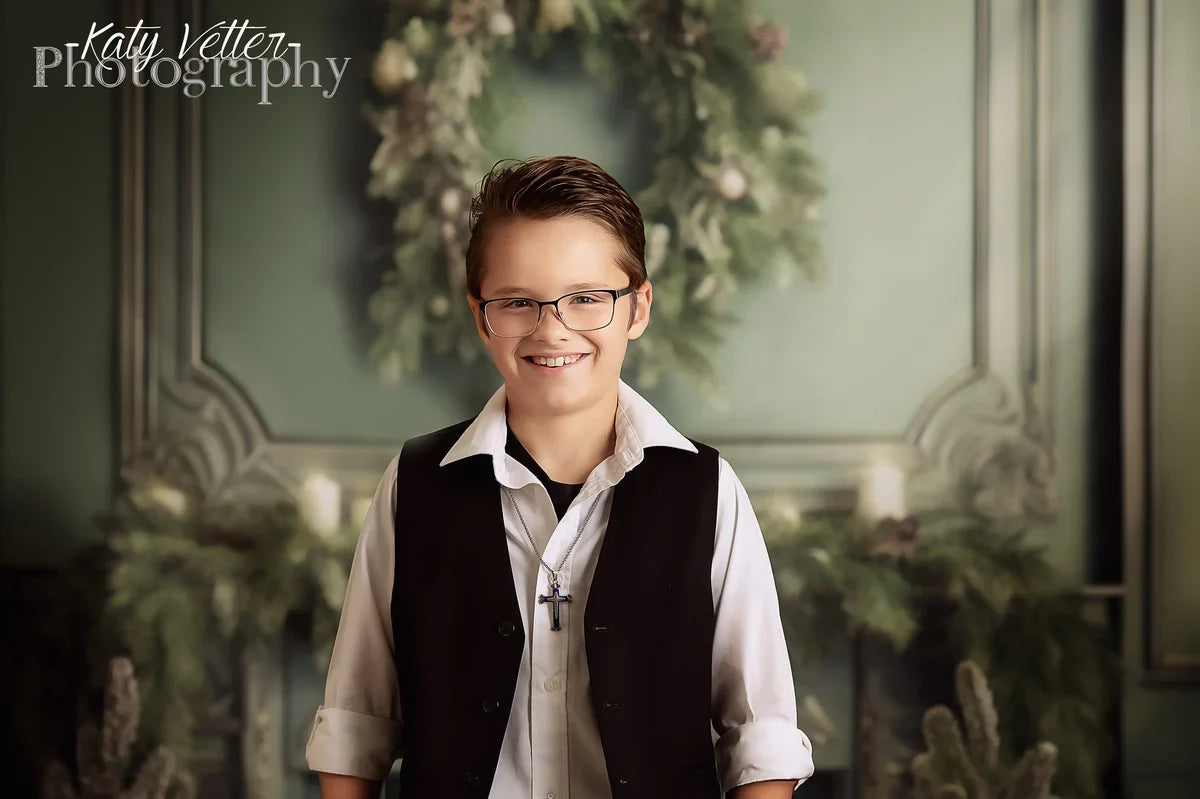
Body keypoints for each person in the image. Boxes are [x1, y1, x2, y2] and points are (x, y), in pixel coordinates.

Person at [305, 155, 814, 798]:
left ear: (637, 308)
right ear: (480, 314)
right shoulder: (414, 486)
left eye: (586, 299)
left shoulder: (707, 491)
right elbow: (357, 725)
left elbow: (761, 737)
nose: (553, 329)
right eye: (518, 302)